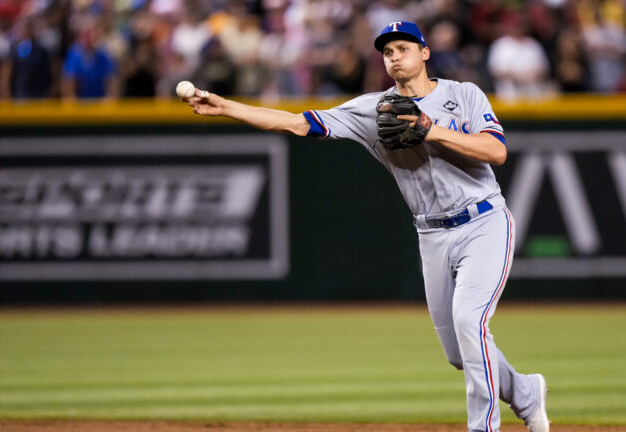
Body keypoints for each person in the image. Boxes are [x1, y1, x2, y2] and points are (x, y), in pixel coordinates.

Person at [182, 21, 549, 432]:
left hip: (483, 222)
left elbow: (496, 151)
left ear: (424, 53)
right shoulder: (371, 110)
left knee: (469, 322)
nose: (394, 57)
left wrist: (430, 129)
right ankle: (525, 393)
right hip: (430, 233)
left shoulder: (463, 94)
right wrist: (227, 107)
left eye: (402, 48)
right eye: (387, 51)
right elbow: (297, 122)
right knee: (458, 352)